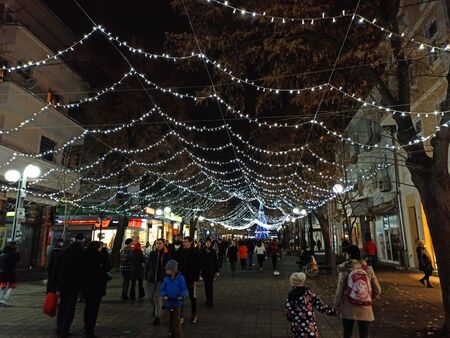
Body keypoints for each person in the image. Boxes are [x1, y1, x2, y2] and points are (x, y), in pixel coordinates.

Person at [334, 245, 381, 338]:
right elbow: (377, 290)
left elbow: (340, 290)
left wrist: (337, 306)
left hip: (348, 306)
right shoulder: (368, 269)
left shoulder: (344, 270)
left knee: (347, 333)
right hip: (365, 306)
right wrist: (368, 297)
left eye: (346, 254)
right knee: (364, 334)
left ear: (349, 254)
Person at [51, 233, 85, 337]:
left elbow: (56, 268)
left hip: (63, 282)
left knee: (62, 304)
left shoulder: (64, 252)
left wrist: (54, 283)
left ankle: (59, 326)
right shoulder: (82, 253)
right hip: (75, 283)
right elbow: (84, 270)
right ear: (82, 240)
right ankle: (65, 328)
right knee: (70, 305)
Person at [285, 272, 335, 337]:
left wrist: (290, 318)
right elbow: (319, 304)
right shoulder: (308, 293)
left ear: (292, 282)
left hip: (297, 323)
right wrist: (332, 311)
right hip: (309, 322)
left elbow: (288, 310)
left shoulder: (291, 295)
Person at [82, 241, 108, 338]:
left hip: (87, 286)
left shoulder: (85, 256)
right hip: (97, 286)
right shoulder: (99, 257)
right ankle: (90, 329)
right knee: (94, 308)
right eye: (100, 247)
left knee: (88, 307)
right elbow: (107, 267)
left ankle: (86, 326)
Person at [146, 238, 171, 325]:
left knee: (158, 298)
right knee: (150, 298)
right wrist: (146, 276)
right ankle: (155, 308)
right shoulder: (152, 254)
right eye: (157, 243)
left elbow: (169, 267)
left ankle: (157, 317)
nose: (158, 245)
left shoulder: (166, 255)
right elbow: (148, 265)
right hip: (151, 279)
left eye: (160, 243)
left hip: (161, 280)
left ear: (163, 244)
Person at [160, 260, 187, 338]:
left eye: (167, 270)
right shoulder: (166, 279)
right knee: (169, 321)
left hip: (177, 303)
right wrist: (164, 295)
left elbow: (183, 289)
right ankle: (170, 334)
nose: (166, 271)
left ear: (173, 270)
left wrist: (181, 296)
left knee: (176, 322)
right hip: (168, 303)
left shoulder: (180, 278)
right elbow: (163, 289)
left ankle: (177, 335)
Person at [177, 236, 200, 324]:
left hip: (191, 279)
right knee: (180, 297)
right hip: (181, 279)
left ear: (190, 242)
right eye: (183, 242)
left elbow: (197, 267)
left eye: (186, 241)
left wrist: (195, 279)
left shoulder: (195, 252)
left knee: (192, 297)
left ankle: (194, 314)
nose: (184, 243)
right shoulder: (181, 251)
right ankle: (181, 315)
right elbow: (178, 264)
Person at [199, 238, 219, 307]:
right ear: (205, 243)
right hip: (204, 271)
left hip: (211, 271)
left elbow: (215, 261)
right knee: (206, 286)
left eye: (209, 243)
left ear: (211, 243)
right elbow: (200, 262)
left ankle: (210, 300)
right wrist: (200, 270)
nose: (208, 244)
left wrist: (217, 270)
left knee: (210, 286)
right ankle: (207, 299)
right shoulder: (202, 251)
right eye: (207, 243)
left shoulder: (213, 251)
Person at [0, 242, 20, 307]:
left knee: (3, 285)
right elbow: (17, 260)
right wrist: (18, 252)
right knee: (12, 285)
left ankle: (1, 299)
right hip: (9, 271)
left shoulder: (2, 253)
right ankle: (5, 299)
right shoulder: (12, 254)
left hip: (1, 271)